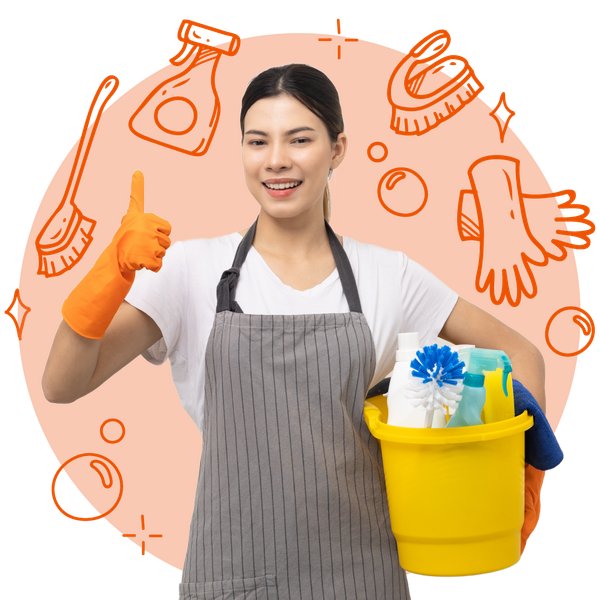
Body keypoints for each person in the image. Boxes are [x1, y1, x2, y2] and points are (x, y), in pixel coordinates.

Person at [41, 63, 547, 599]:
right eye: (257, 141)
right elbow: (62, 384)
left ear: (338, 148)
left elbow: (521, 352)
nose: (276, 159)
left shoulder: (388, 273)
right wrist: (109, 277)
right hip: (231, 573)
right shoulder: (190, 268)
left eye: (299, 139)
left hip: (363, 575)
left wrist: (520, 471)